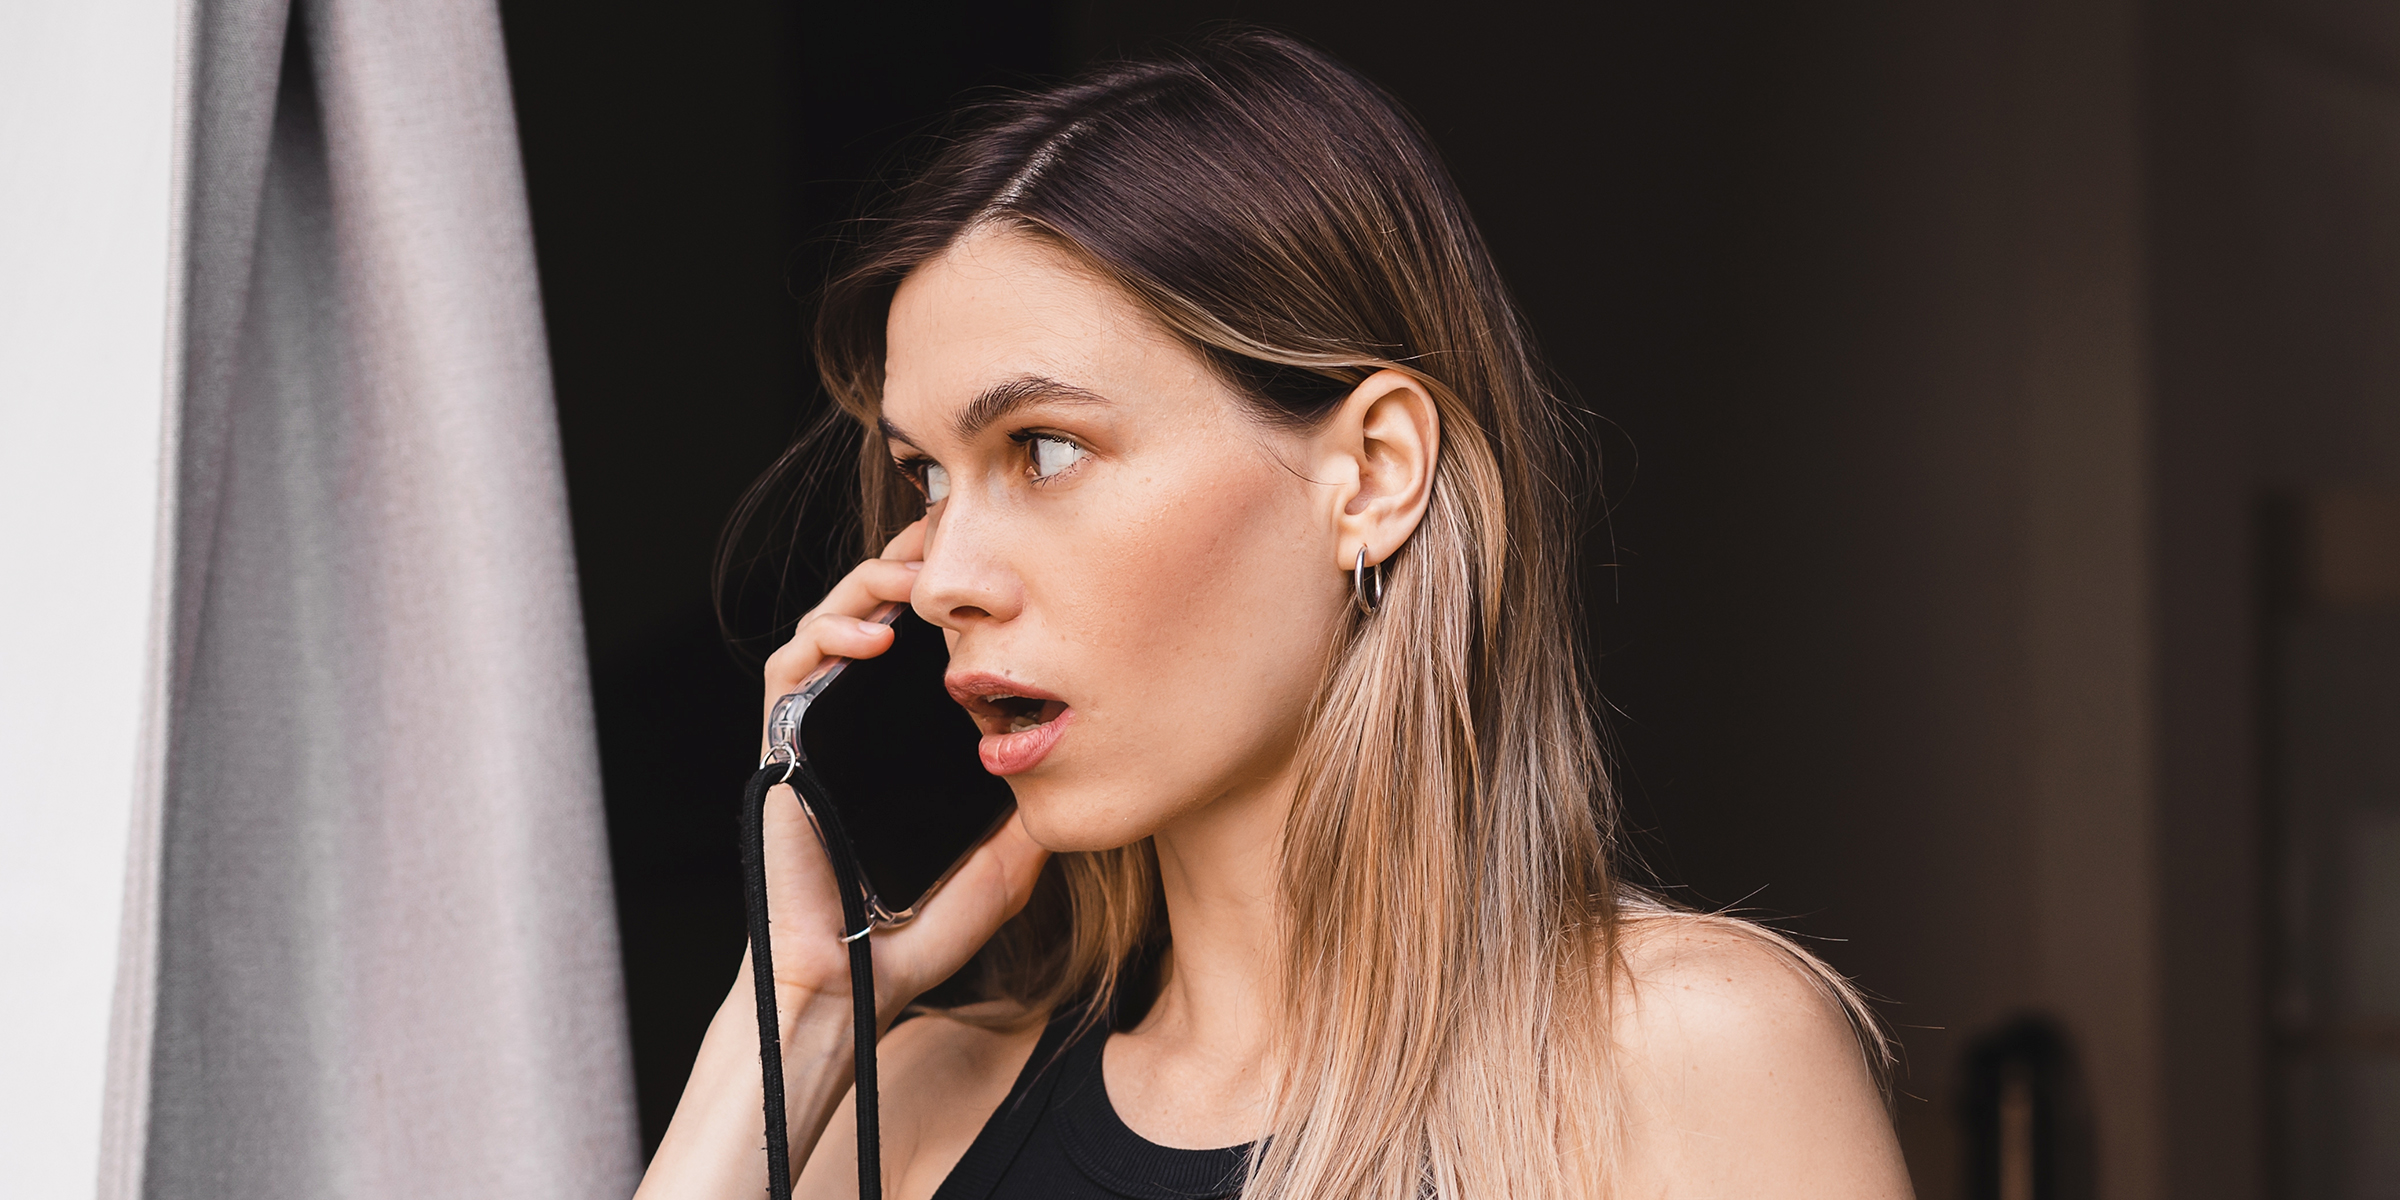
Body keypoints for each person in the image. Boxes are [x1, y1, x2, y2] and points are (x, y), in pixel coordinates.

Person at [636, 29, 1912, 1200]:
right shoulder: (909, 1113)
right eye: (924, 477)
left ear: (1371, 477)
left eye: (1046, 449)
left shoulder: (1686, 1062)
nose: (940, 576)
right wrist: (798, 1011)